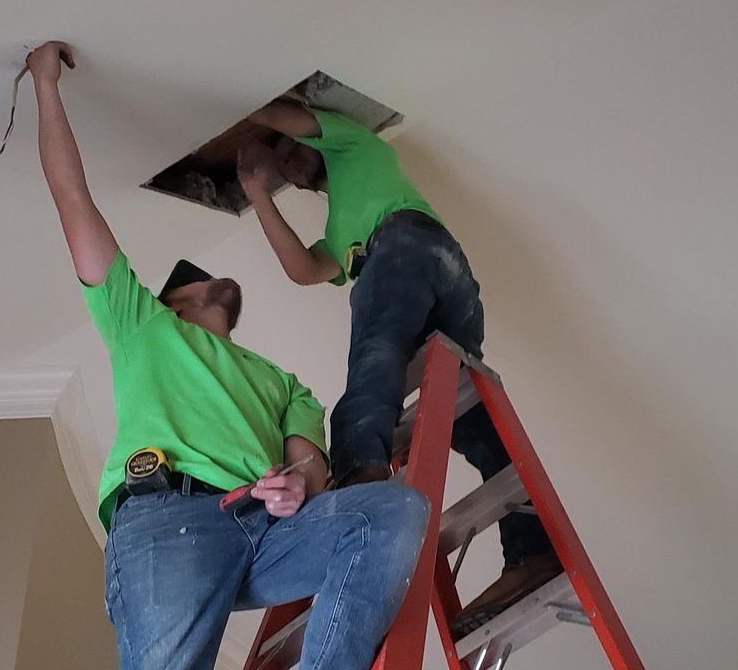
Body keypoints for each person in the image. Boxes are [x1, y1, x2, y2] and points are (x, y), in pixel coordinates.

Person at [24, 42, 446, 670]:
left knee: (388, 511)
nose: (218, 286)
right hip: (165, 523)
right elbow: (71, 197)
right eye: (199, 282)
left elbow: (310, 466)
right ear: (171, 302)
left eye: (222, 284)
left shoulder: (281, 382)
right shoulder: (139, 325)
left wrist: (300, 484)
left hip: (259, 527)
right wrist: (44, 86)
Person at [235, 102, 561, 636]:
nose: (289, 159)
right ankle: (534, 554)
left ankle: (362, 505)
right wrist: (257, 191)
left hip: (405, 245)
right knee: (470, 423)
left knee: (371, 376)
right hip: (447, 280)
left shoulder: (354, 146)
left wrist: (252, 116)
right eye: (285, 160)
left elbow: (284, 115)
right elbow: (303, 268)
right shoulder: (340, 233)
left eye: (293, 149)